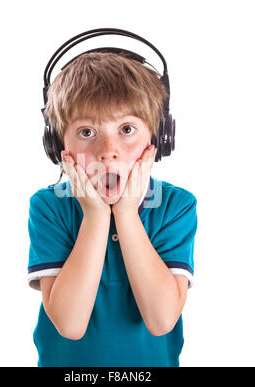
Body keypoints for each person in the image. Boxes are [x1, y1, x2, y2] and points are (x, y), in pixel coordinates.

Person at [27, 52, 198, 367]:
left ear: (159, 137)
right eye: (87, 132)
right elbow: (70, 324)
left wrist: (127, 214)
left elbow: (161, 321)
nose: (108, 152)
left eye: (127, 129)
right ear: (56, 144)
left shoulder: (176, 206)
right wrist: (95, 216)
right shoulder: (49, 207)